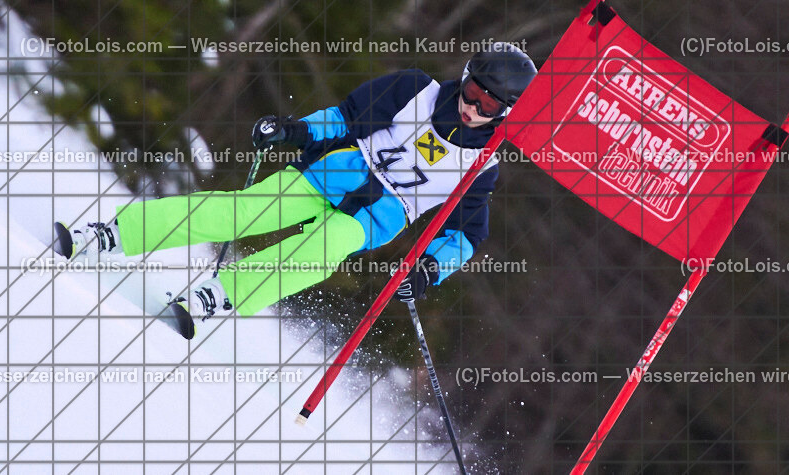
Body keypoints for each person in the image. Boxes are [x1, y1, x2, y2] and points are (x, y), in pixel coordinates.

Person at [57, 42, 537, 336]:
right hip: (331, 173)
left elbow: (466, 234)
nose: (474, 108)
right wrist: (294, 130)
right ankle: (114, 234)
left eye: (490, 105)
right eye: (473, 92)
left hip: (376, 216)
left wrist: (429, 269)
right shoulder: (416, 89)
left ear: (506, 112)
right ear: (465, 78)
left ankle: (219, 295)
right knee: (241, 213)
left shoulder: (483, 165)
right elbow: (345, 117)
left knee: (320, 252)